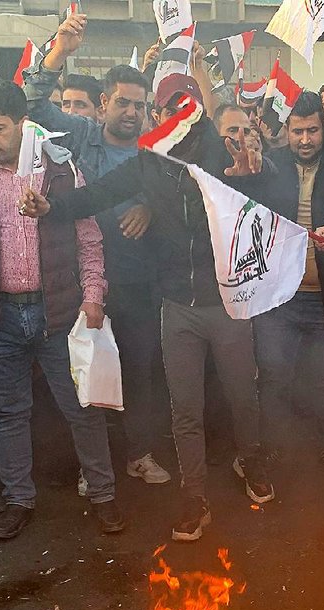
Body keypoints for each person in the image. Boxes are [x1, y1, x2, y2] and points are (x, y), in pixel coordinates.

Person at [17, 93, 283, 542]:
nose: (177, 122)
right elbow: (97, 195)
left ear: (198, 116)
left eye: (187, 113)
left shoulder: (221, 155)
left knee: (243, 395)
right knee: (185, 409)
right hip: (176, 307)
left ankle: (251, 462)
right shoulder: (147, 163)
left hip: (228, 305)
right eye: (166, 113)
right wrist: (52, 208)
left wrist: (255, 175)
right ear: (157, 118)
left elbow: (268, 190)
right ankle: (194, 497)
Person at [0, 79, 124, 539]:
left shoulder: (60, 169)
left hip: (58, 314)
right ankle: (18, 498)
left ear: (22, 124)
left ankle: (103, 495)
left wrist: (93, 296)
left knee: (82, 408)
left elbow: (89, 240)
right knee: (9, 412)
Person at [23, 14, 172, 487]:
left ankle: (139, 455)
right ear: (104, 103)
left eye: (140, 105)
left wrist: (151, 205)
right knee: (84, 377)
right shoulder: (81, 137)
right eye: (123, 102)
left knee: (139, 373)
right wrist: (59, 53)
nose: (131, 112)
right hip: (81, 282)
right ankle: (94, 466)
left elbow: (186, 198)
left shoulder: (158, 152)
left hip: (137, 283)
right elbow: (33, 106)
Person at [256, 91, 324, 473]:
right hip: (279, 300)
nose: (306, 140)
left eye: (313, 131)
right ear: (286, 130)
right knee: (273, 378)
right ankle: (276, 447)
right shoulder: (267, 167)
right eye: (298, 131)